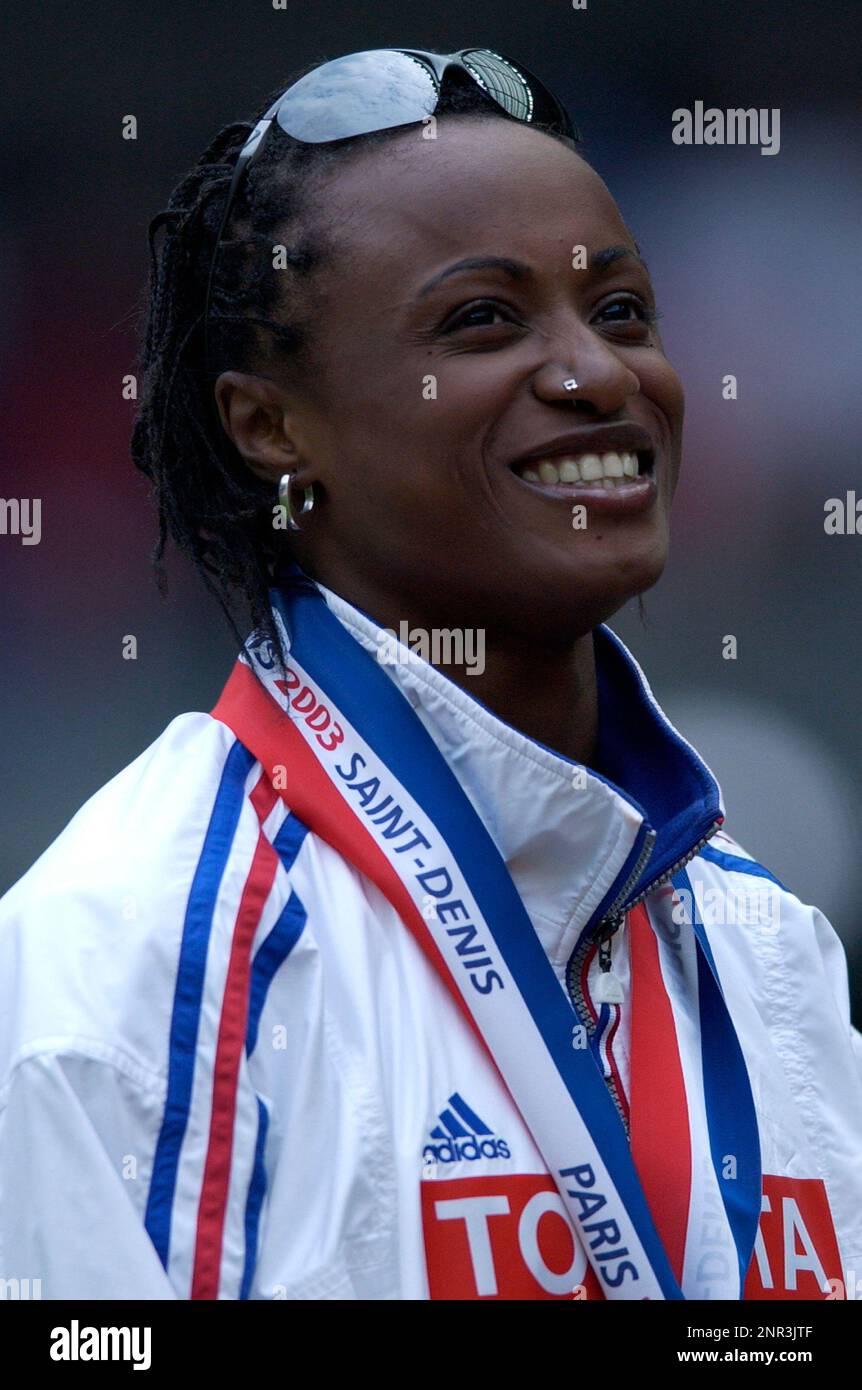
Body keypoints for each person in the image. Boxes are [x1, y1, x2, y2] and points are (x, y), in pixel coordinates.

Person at [1, 47, 860, 1302]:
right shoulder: (128, 961)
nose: (597, 373)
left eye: (620, 310)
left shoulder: (767, 945)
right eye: (483, 321)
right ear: (271, 427)